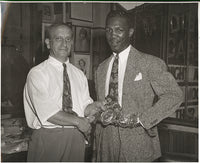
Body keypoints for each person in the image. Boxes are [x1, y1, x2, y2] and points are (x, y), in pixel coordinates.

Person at [94, 10, 183, 162]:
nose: (112, 35)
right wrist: (96, 151)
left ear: (130, 32)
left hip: (138, 143)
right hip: (106, 145)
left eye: (119, 30)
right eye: (108, 30)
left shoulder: (149, 63)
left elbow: (174, 95)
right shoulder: (100, 69)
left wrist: (142, 119)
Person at [23, 24, 102, 162]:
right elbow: (48, 113)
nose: (64, 44)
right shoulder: (37, 74)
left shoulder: (79, 74)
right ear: (48, 43)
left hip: (76, 137)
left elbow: (85, 107)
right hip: (48, 138)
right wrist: (79, 122)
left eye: (68, 39)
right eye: (58, 38)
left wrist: (97, 106)